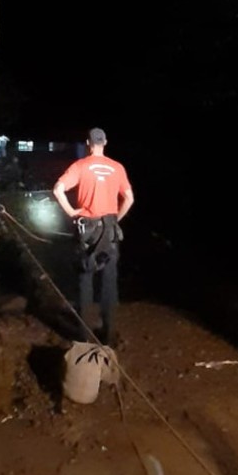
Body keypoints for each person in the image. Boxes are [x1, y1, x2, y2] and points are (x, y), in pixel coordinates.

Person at [53, 128, 135, 345]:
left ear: (89, 143)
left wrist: (71, 212)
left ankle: (83, 337)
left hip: (87, 231)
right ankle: (108, 336)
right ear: (105, 142)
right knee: (108, 283)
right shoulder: (117, 168)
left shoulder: (80, 166)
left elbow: (58, 189)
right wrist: (116, 218)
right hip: (108, 230)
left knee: (85, 281)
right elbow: (129, 198)